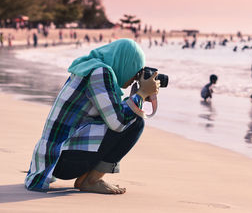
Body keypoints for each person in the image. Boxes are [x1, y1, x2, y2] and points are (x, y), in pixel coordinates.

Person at [25, 39, 160, 194]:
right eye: (136, 72)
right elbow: (118, 122)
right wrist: (142, 94)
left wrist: (139, 96)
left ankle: (85, 179)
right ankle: (91, 181)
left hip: (54, 159)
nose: (135, 78)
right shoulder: (100, 73)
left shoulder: (90, 67)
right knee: (135, 122)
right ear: (126, 63)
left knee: (128, 116)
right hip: (62, 161)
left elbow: (112, 113)